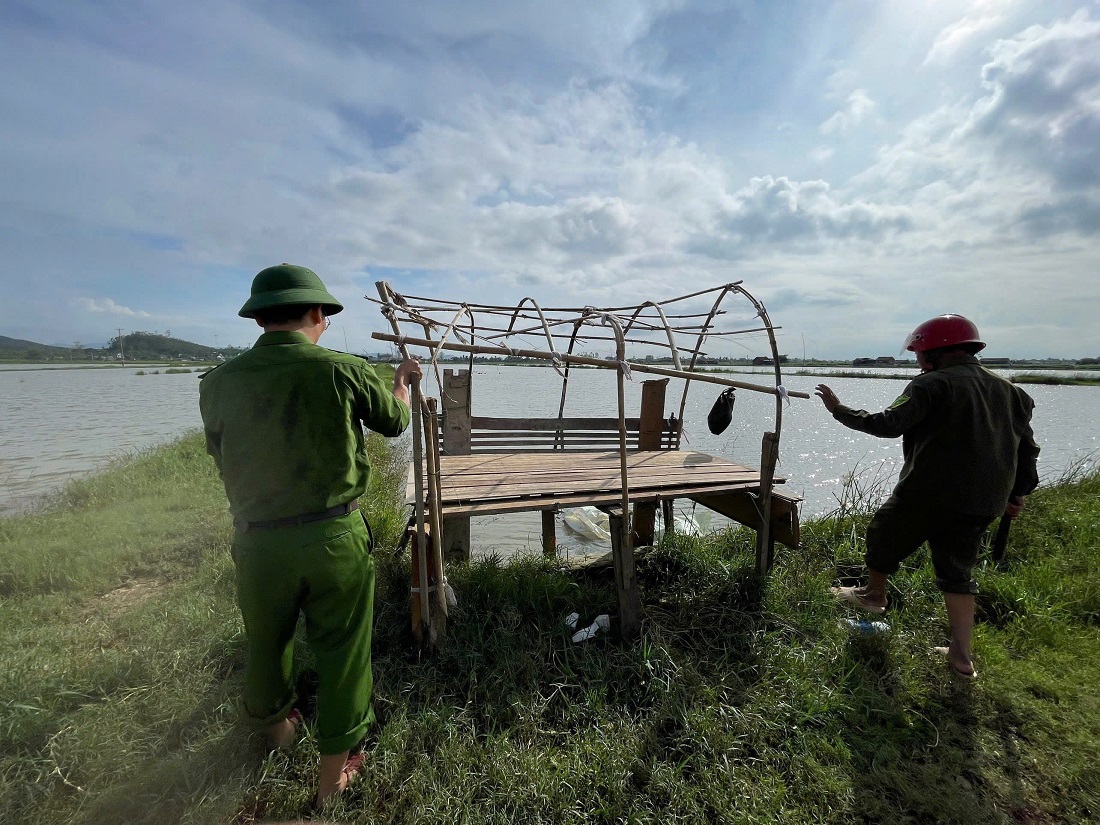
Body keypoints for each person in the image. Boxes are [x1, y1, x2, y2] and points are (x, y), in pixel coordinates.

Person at [199, 263, 421, 806]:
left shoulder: (218, 382)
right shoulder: (343, 370)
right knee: (344, 650)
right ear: (318, 314)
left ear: (259, 319)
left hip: (258, 542)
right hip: (332, 538)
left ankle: (277, 731)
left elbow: (219, 452)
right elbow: (395, 422)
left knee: (266, 641)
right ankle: (330, 784)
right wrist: (401, 384)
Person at [814, 314, 1039, 680]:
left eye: (920, 353)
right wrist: (1018, 492)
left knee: (884, 532)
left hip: (929, 492)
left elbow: (886, 424)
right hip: (983, 501)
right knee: (957, 572)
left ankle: (874, 595)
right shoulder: (1012, 392)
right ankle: (961, 658)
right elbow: (1027, 449)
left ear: (936, 353)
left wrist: (839, 410)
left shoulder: (930, 386)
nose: (918, 361)